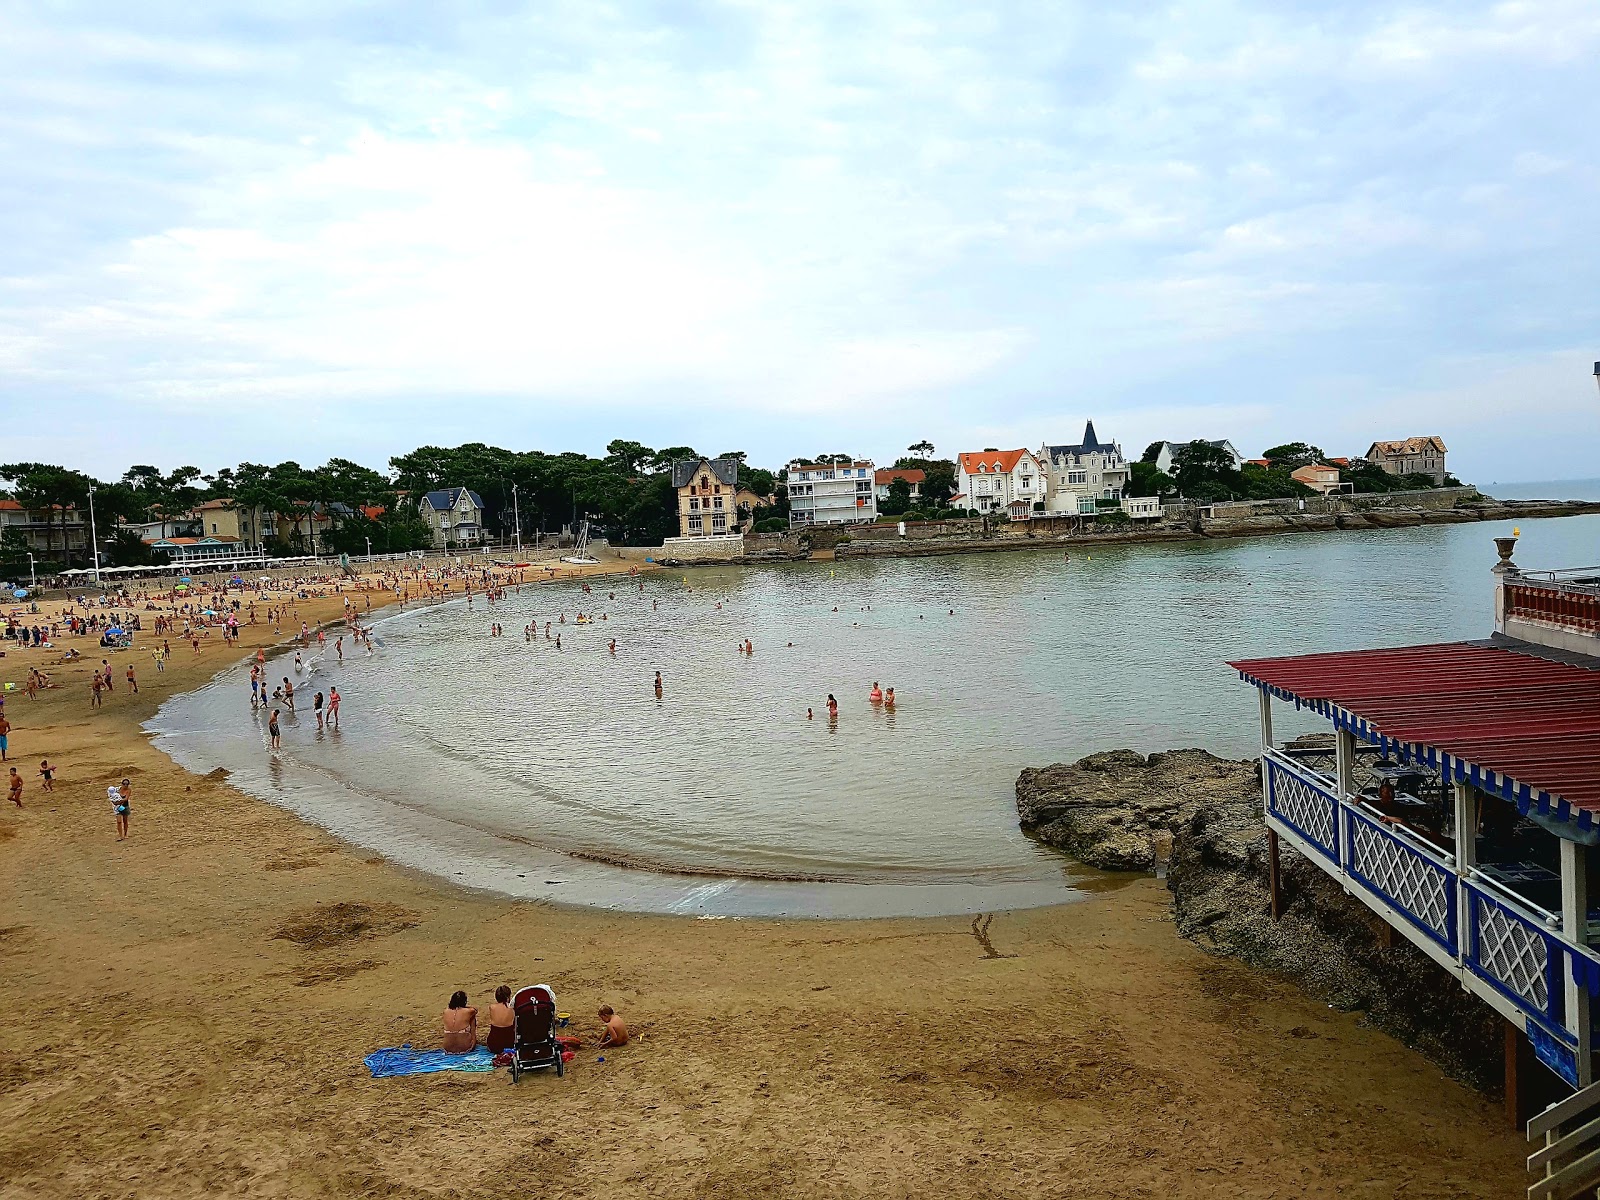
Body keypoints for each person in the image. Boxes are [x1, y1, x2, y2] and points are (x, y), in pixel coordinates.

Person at [485, 985, 516, 1054]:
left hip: (493, 1045)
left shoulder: (492, 1007)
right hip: (509, 1044)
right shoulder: (513, 1008)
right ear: (508, 996)